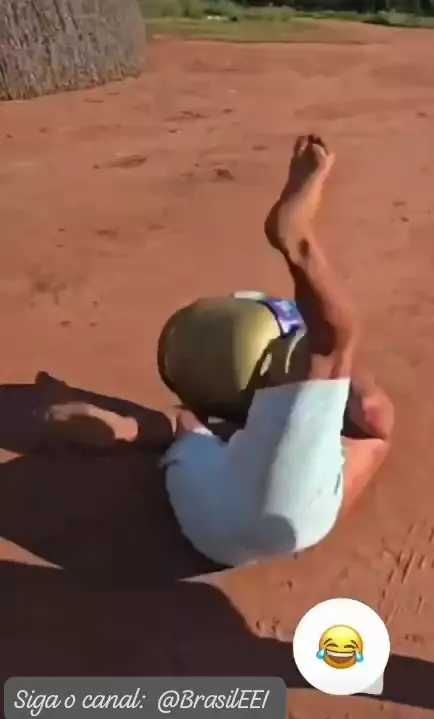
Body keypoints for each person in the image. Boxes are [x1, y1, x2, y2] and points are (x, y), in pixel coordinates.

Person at [43, 135, 394, 567]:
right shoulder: (303, 389)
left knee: (186, 425)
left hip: (206, 525)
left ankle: (127, 428)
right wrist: (355, 376)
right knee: (371, 425)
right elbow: (347, 365)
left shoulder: (240, 418)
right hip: (294, 524)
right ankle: (296, 240)